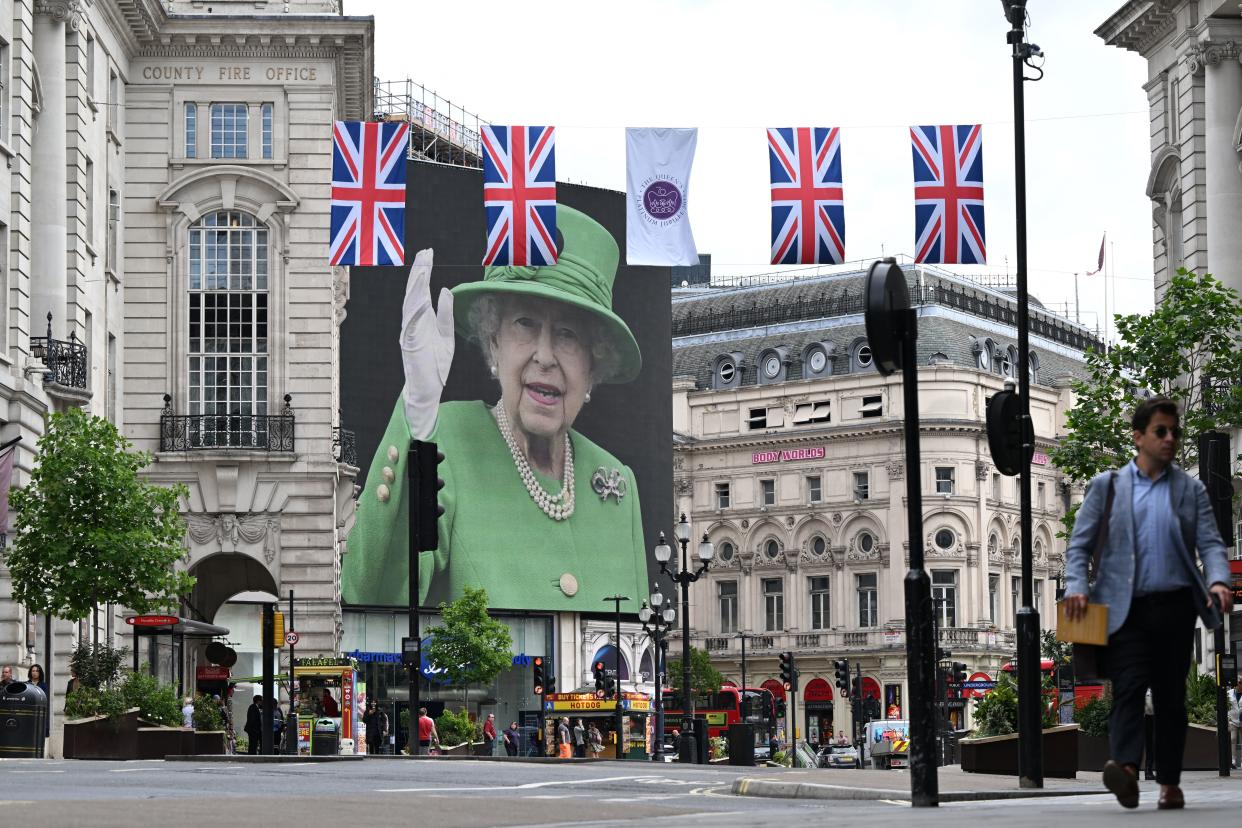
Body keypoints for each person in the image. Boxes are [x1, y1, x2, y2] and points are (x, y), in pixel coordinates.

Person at [342, 205, 649, 614]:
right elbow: (374, 595)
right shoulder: (443, 437)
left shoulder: (616, 483)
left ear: (592, 365)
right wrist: (417, 410)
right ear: (493, 343)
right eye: (525, 323)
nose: (545, 355)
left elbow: (644, 638)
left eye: (568, 334)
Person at [1064, 397, 1233, 811]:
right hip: (1126, 609)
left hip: (1176, 607)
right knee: (1128, 688)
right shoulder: (1109, 486)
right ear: (1138, 436)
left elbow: (1210, 543)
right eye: (1161, 431)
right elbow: (1079, 544)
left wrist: (1218, 580)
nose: (1170, 439)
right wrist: (1076, 586)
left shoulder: (1190, 489)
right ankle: (1125, 770)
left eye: (1174, 431)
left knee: (1171, 696)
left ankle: (1170, 783)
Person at [27, 665, 48, 739]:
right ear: (30, 672)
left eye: (37, 671)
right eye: (33, 671)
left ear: (40, 673)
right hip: (28, 714)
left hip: (39, 713)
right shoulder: (27, 684)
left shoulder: (43, 685)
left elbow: (44, 699)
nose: (35, 673)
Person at [1229, 678, 1242, 770]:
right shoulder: (1228, 693)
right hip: (1232, 720)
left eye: (1240, 682)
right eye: (1236, 683)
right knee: (1233, 739)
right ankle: (1233, 760)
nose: (1238, 684)